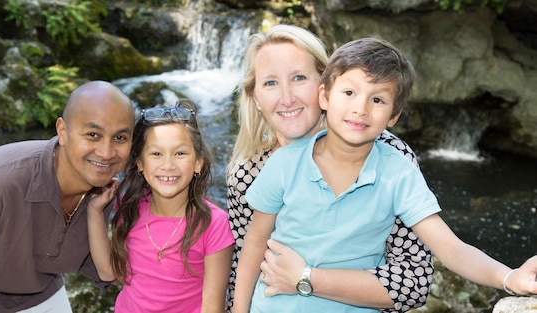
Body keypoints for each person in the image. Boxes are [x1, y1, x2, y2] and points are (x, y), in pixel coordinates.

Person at [232, 36, 537, 313]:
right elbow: (253, 246)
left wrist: (509, 277)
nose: (360, 108)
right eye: (349, 92)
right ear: (324, 96)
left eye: (377, 99)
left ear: (394, 116)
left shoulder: (398, 172)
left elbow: (452, 249)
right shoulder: (284, 164)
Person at [226, 25, 431, 312]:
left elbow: (413, 283)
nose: (287, 98)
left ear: (325, 85)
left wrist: (307, 279)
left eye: (298, 78)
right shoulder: (247, 172)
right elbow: (241, 271)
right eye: (270, 83)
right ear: (256, 97)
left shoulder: (388, 156)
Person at [0, 80, 135, 312]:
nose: (107, 153)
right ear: (63, 131)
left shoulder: (103, 194)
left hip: (42, 294)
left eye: (120, 138)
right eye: (93, 134)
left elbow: (104, 268)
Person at [87, 99, 235, 313]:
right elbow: (109, 272)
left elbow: (212, 307)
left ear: (198, 163)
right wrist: (94, 213)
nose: (168, 165)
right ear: (140, 163)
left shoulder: (214, 225)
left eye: (180, 153)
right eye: (156, 154)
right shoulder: (130, 208)